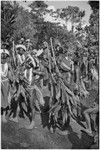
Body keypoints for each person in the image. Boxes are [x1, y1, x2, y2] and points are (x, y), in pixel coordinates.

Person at [1, 48, 10, 122]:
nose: (3, 59)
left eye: (5, 57)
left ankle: (3, 115)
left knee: (5, 98)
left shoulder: (8, 65)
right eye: (2, 57)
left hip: (5, 83)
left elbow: (10, 75)